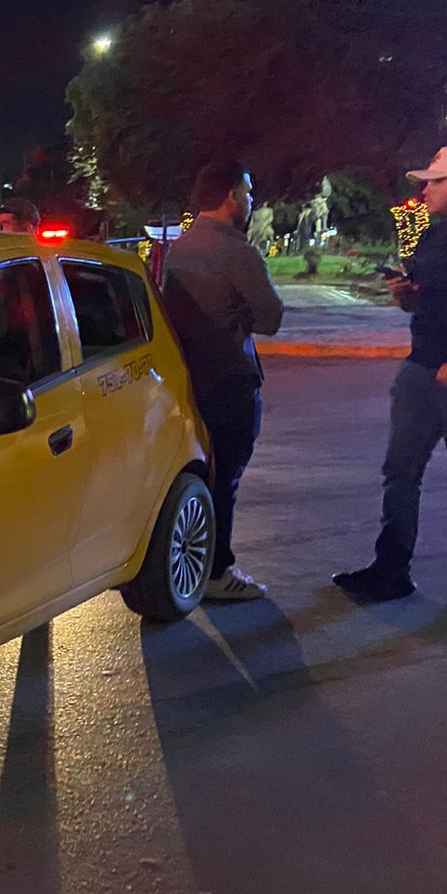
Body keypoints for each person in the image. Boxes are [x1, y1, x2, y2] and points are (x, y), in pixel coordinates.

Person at [334, 144, 447, 609]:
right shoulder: (433, 234)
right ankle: (391, 570)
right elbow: (421, 300)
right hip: (420, 369)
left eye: (434, 181)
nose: (424, 189)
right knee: (400, 472)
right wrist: (403, 294)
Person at [160, 162, 285, 601]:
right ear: (232, 195)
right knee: (225, 478)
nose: (251, 200)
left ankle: (196, 565)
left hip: (190, 378)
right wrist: (240, 318)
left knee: (200, 475)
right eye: (248, 192)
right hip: (231, 380)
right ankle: (217, 572)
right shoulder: (237, 252)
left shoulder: (183, 247)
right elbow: (271, 317)